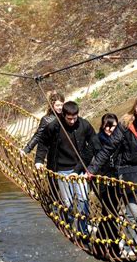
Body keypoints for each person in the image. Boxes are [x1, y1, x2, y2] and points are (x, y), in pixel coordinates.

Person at [89, 94, 137, 256]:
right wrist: (91, 169)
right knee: (133, 213)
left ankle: (130, 232)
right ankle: (135, 247)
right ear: (134, 107)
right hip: (128, 174)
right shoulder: (125, 124)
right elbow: (108, 148)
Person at [34, 101, 96, 237]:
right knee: (67, 202)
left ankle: (82, 232)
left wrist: (93, 167)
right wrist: (39, 160)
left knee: (83, 200)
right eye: (69, 118)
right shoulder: (54, 126)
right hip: (61, 169)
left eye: (75, 118)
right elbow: (43, 142)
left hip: (79, 169)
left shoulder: (84, 125)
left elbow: (94, 143)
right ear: (63, 115)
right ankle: (67, 223)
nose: (73, 121)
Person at [89, 113, 122, 260]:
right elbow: (87, 156)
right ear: (102, 126)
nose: (109, 129)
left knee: (110, 213)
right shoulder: (96, 140)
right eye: (107, 126)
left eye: (112, 125)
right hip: (101, 180)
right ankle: (112, 248)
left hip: (117, 180)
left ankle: (100, 245)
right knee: (110, 212)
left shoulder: (120, 138)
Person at [21, 91, 65, 155]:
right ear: (52, 106)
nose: (60, 107)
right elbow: (38, 135)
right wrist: (26, 149)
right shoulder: (46, 120)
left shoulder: (67, 115)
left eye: (62, 105)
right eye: (57, 105)